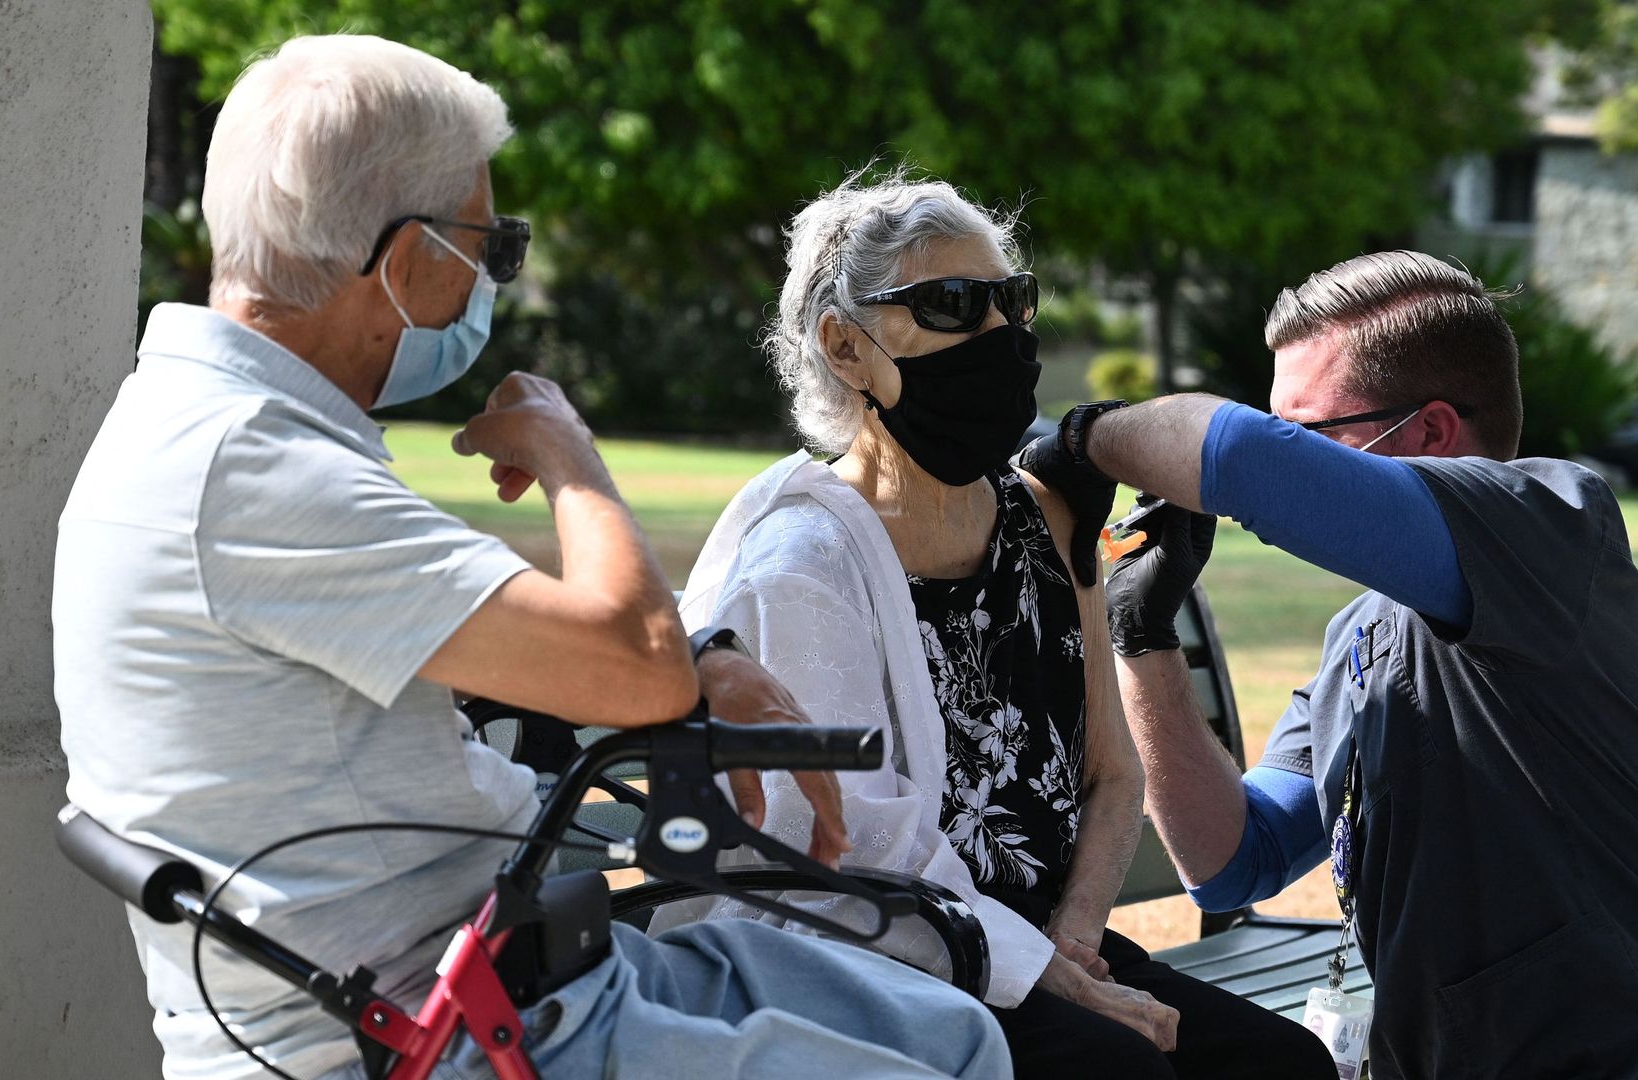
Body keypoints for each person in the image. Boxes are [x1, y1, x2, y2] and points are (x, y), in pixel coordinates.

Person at [53, 36, 1008, 1080]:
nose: (492, 280)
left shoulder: (211, 432)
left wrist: (711, 660)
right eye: (492, 247)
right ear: (412, 257)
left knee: (953, 1031)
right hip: (445, 1031)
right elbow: (630, 667)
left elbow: (527, 635)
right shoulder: (251, 471)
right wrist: (569, 456)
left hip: (514, 976)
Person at [1018, 251, 1638, 1079]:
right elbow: (1232, 861)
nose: (1293, 457)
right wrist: (1142, 636)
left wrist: (1074, 438)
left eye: (1307, 434)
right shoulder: (1365, 631)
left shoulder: (1551, 523)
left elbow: (1241, 458)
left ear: (1431, 433)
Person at [656, 173, 1332, 1080]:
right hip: (881, 961)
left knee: (1280, 1066)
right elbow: (854, 851)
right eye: (952, 305)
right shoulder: (804, 561)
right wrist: (1053, 975)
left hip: (1047, 946)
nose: (1001, 336)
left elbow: (1109, 769)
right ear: (845, 350)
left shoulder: (1046, 519)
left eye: (1011, 302)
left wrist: (1079, 941)